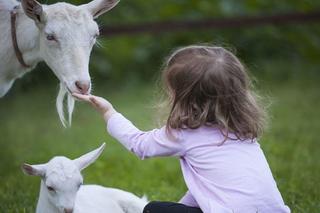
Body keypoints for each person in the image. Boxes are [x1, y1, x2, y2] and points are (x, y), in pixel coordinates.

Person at [73, 45, 291, 213]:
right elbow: (210, 187)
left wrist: (109, 112)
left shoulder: (185, 133)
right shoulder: (243, 132)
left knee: (152, 210)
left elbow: (139, 144)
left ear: (185, 98)